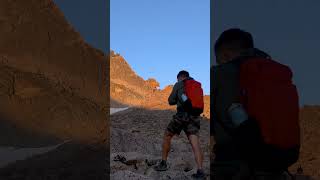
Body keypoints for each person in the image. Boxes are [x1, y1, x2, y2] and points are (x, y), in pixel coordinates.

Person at [211, 28, 300, 180]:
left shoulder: (221, 73)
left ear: (225, 54)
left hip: (233, 166)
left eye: (218, 59)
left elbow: (216, 120)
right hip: (277, 163)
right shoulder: (274, 74)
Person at [154, 70, 205, 179]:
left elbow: (171, 101)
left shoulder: (179, 84)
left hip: (182, 115)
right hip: (195, 116)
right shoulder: (196, 85)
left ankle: (163, 163)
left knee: (167, 135)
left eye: (177, 79)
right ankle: (200, 171)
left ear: (180, 77)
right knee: (195, 143)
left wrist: (178, 96)